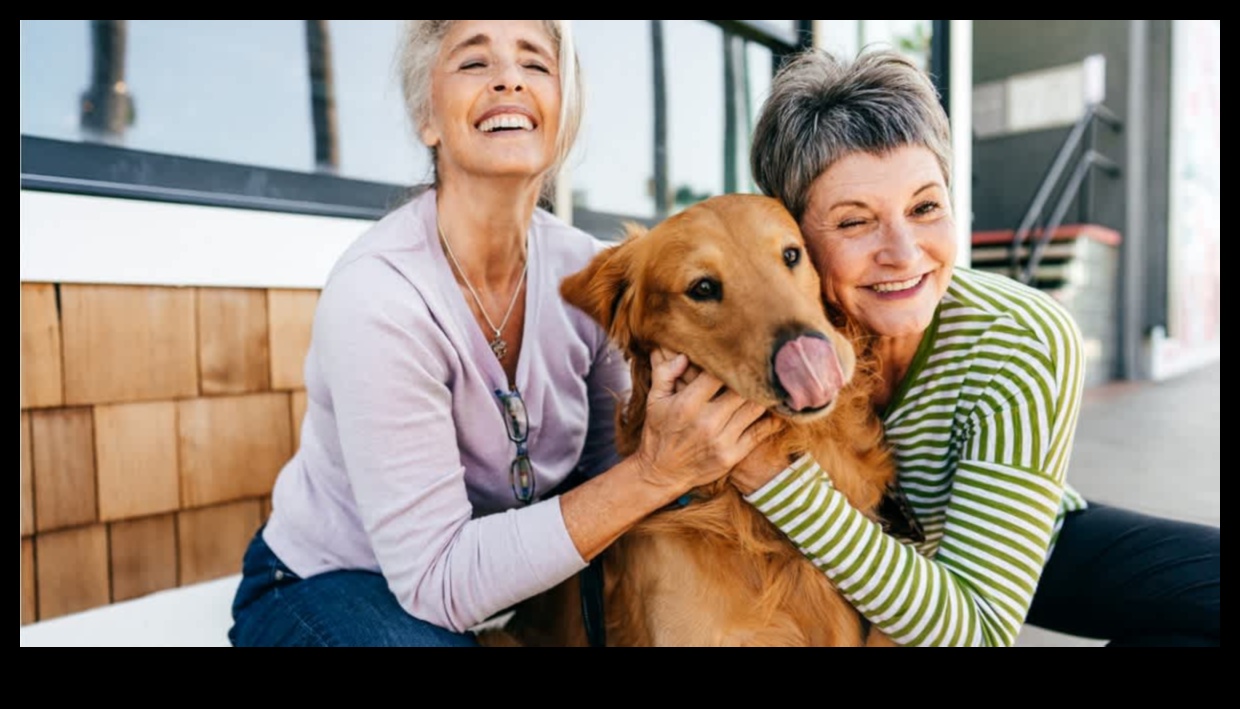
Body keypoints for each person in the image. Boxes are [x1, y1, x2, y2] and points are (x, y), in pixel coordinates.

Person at [227, 20, 779, 648]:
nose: (509, 78)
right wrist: (656, 472)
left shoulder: (589, 278)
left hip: (511, 592)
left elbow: (610, 469)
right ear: (426, 118)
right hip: (335, 582)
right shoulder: (381, 297)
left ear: (561, 117)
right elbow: (438, 580)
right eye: (473, 62)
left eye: (535, 65)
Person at [731, 47, 1220, 647]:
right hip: (818, 569)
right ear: (793, 234)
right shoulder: (759, 336)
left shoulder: (1020, 336)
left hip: (989, 533)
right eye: (855, 221)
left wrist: (769, 476)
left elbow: (979, 631)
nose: (904, 253)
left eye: (926, 207)